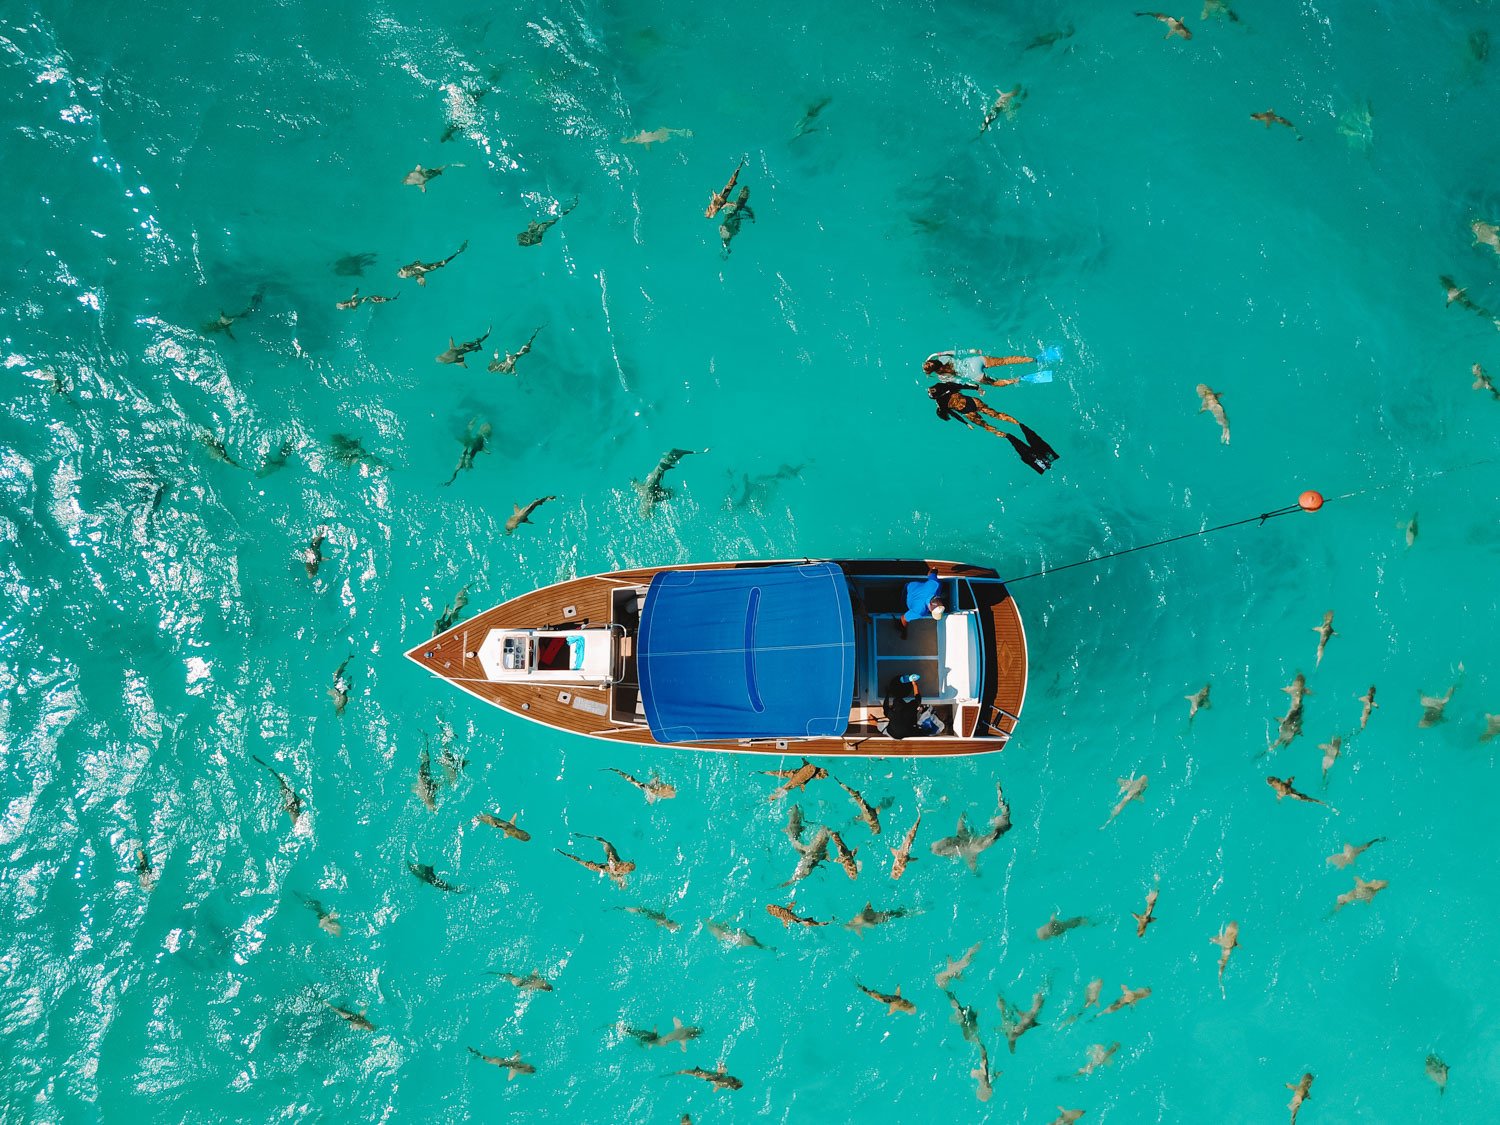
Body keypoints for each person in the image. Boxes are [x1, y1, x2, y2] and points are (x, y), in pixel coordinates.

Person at [927, 382, 1060, 474]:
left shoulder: (940, 404)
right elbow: (960, 386)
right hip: (973, 402)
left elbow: (954, 415)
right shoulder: (945, 386)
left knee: (986, 426)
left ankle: (1004, 434)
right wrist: (976, 387)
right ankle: (1017, 423)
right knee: (995, 414)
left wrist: (966, 424)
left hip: (968, 412)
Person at [924, 348, 1039, 386]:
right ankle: (1033, 359)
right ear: (931, 360)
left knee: (995, 383)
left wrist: (976, 387)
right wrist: (973, 350)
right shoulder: (942, 357)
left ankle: (1017, 379)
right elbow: (958, 352)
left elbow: (960, 381)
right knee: (1004, 360)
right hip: (974, 362)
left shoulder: (942, 377)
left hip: (974, 375)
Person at [898, 568, 947, 638]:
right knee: (902, 607)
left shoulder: (936, 584)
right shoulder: (920, 611)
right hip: (906, 595)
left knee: (946, 593)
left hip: (911, 585)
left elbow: (933, 571)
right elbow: (903, 618)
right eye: (932, 611)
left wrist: (934, 569)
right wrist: (904, 631)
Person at [883, 674, 923, 740]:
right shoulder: (893, 714)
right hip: (903, 732)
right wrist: (914, 684)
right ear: (905, 703)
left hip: (894, 733)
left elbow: (885, 706)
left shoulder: (893, 714)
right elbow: (918, 699)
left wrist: (914, 684)